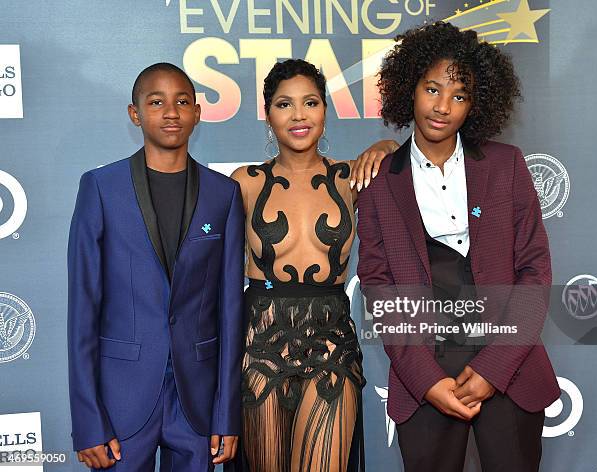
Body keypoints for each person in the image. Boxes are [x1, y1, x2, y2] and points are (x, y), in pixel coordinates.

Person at [357, 22, 560, 471]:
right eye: (432, 89)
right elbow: (378, 288)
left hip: (510, 364)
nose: (442, 107)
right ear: (410, 87)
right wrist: (426, 380)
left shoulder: (507, 166)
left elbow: (535, 273)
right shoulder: (377, 183)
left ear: (476, 105)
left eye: (460, 95)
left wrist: (494, 368)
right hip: (425, 370)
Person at [67, 63, 243, 471]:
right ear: (135, 113)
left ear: (197, 112)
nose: (170, 113)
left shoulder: (224, 195)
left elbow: (230, 312)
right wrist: (88, 421)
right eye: (156, 102)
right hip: (120, 403)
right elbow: (82, 313)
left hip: (196, 405)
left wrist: (226, 415)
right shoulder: (100, 188)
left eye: (182, 102)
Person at [230, 59, 397, 472]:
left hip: (331, 343)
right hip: (259, 343)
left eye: (311, 102)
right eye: (285, 104)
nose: (299, 115)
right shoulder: (244, 182)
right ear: (268, 114)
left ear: (325, 109)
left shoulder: (351, 177)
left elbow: (407, 157)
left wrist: (386, 146)